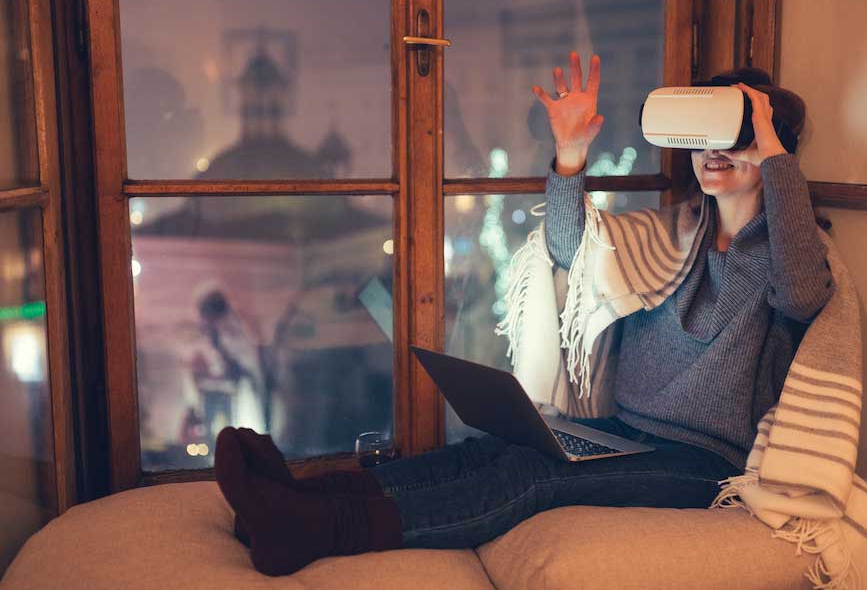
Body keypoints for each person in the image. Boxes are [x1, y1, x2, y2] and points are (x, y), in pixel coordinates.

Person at [214, 50, 834, 577]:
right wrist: (569, 155)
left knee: (535, 483)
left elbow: (804, 297)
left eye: (733, 134)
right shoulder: (671, 236)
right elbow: (574, 251)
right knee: (488, 453)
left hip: (700, 463)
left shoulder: (790, 253)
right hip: (623, 433)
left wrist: (775, 155)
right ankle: (293, 495)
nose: (713, 152)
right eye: (702, 137)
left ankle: (313, 528)